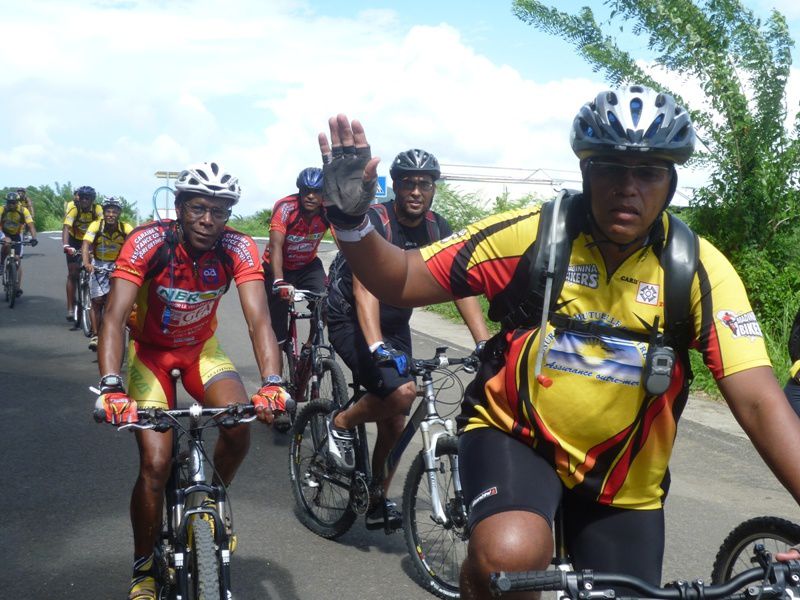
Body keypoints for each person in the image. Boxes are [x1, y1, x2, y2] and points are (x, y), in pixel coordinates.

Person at [316, 88, 800, 598]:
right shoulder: (536, 236)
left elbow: (761, 401)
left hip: (625, 483)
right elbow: (404, 278)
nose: (627, 188)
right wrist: (351, 222)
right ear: (587, 173)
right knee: (510, 557)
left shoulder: (698, 270)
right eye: (611, 168)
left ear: (671, 182)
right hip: (516, 438)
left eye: (649, 172)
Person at [94, 161, 289, 600]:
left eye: (219, 212)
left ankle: (210, 502)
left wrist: (273, 381)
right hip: (150, 356)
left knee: (239, 427)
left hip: (202, 351)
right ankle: (143, 566)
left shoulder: (236, 248)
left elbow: (259, 320)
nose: (208, 220)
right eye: (198, 208)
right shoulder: (147, 241)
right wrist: (110, 385)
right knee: (157, 464)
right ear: (179, 207)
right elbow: (114, 316)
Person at [325, 148, 490, 530]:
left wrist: (483, 343)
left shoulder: (437, 228)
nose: (417, 191)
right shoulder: (376, 219)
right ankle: (342, 422)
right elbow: (365, 286)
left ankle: (377, 497)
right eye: (409, 183)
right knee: (400, 394)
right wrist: (375, 346)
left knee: (396, 421)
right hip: (350, 316)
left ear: (433, 189)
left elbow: (460, 286)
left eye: (425, 184)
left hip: (395, 320)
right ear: (395, 186)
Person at [262, 167, 329, 345]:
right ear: (300, 190)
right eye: (306, 191)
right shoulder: (286, 207)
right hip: (279, 266)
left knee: (325, 303)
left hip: (307, 265)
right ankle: (277, 363)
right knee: (277, 331)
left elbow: (344, 244)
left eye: (316, 192)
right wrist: (278, 281)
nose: (311, 196)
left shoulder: (327, 211)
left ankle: (309, 348)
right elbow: (276, 245)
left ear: (324, 194)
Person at [81, 196, 133, 350]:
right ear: (103, 213)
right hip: (99, 264)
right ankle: (96, 335)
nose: (111, 214)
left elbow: (134, 246)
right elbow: (85, 245)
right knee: (97, 300)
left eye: (114, 211)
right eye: (108, 211)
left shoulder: (125, 228)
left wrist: (124, 264)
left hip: (119, 265)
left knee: (124, 300)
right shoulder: (96, 225)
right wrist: (87, 263)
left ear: (119, 213)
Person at [62, 185, 102, 322]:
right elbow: (66, 228)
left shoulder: (97, 210)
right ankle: (70, 308)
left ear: (92, 199)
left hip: (90, 241)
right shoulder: (74, 209)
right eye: (82, 198)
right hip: (74, 241)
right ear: (78, 198)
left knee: (94, 270)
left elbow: (102, 226)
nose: (84, 200)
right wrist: (66, 245)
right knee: (73, 274)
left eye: (87, 198)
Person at [0, 191, 38, 296]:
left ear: (17, 202)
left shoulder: (23, 210)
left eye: (13, 202)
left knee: (17, 260)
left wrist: (34, 238)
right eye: (9, 202)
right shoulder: (2, 209)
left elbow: (31, 226)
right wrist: (3, 236)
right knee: (6, 244)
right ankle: (2, 263)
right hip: (4, 232)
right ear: (6, 202)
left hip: (17, 234)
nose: (11, 205)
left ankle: (17, 287)